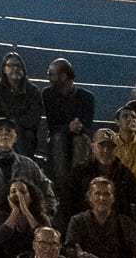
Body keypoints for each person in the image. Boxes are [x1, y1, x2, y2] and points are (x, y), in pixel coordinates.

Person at [63, 125, 136, 228]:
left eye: (111, 147)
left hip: (117, 227)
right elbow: (67, 203)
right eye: (101, 146)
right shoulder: (79, 172)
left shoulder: (125, 174)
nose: (106, 150)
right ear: (93, 147)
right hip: (85, 226)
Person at [41, 58, 97, 192]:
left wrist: (78, 127)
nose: (49, 78)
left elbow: (88, 126)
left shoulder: (87, 97)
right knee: (59, 139)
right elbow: (52, 125)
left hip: (79, 138)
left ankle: (76, 188)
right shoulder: (48, 94)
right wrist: (68, 128)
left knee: (80, 140)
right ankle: (63, 189)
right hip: (58, 138)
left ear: (64, 76)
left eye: (51, 74)